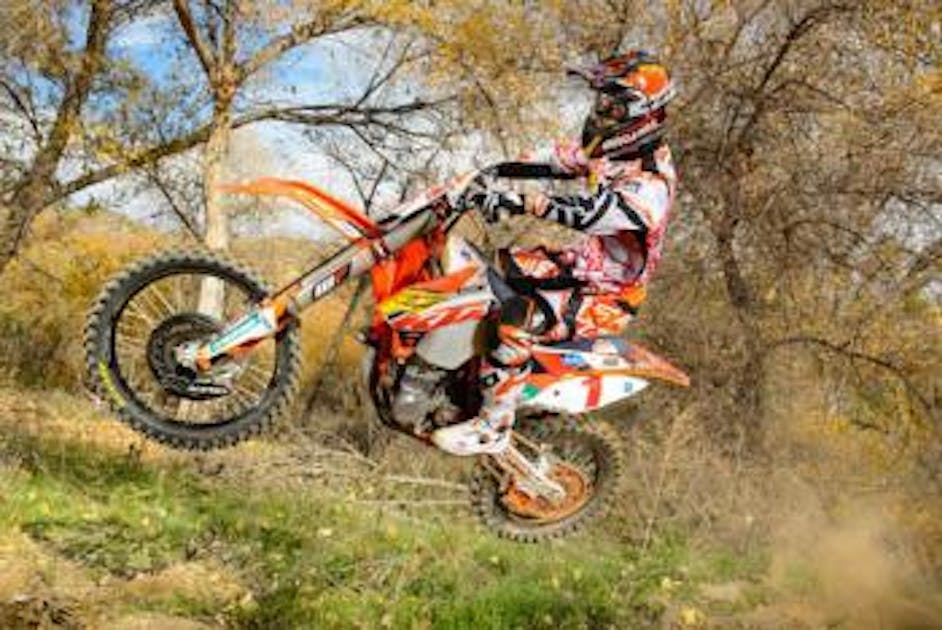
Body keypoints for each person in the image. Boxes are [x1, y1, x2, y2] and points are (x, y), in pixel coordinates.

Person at [432, 50, 678, 456]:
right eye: (601, 100)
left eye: (613, 104)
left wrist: (524, 202)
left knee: (516, 318)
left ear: (642, 113)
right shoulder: (612, 152)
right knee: (479, 272)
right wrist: (486, 173)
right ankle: (461, 378)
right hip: (578, 267)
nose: (601, 111)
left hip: (606, 296)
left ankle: (493, 426)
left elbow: (591, 214)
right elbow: (554, 160)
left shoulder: (652, 181)